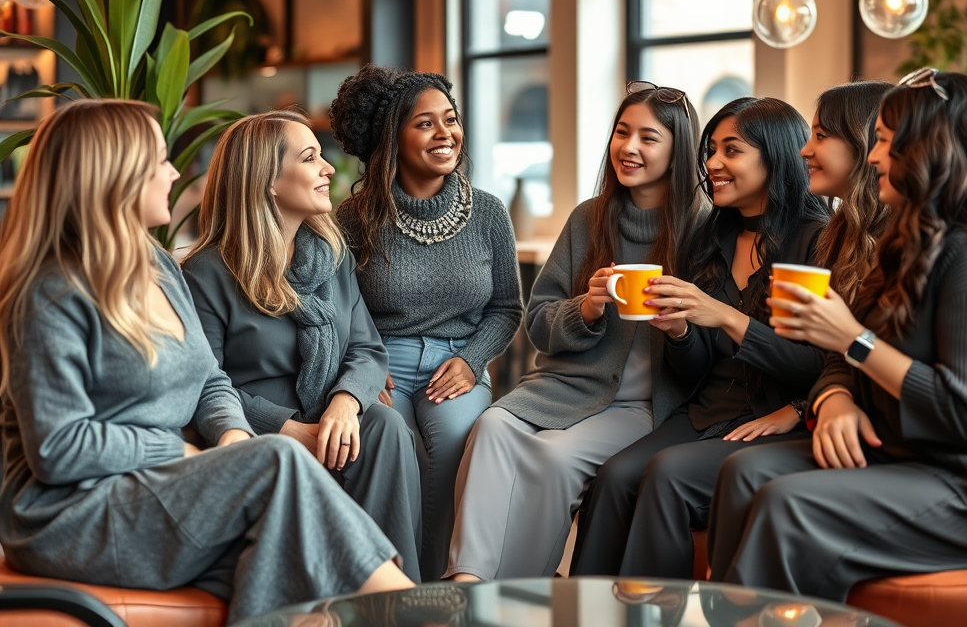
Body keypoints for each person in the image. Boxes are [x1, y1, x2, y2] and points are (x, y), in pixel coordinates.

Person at [0, 100, 413, 625]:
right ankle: (408, 610)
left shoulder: (156, 265)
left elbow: (208, 378)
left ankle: (396, 609)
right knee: (279, 462)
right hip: (69, 513)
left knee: (298, 558)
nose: (175, 173)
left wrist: (231, 438)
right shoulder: (52, 292)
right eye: (159, 161)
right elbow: (60, 449)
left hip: (152, 488)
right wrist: (184, 452)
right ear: (114, 176)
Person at [707, 69, 967, 599]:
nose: (873, 158)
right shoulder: (907, 241)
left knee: (787, 507)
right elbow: (846, 352)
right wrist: (836, 396)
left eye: (882, 141)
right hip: (902, 450)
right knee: (741, 473)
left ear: (931, 148)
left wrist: (853, 340)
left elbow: (966, 414)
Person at [445, 81, 706, 581]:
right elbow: (538, 323)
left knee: (553, 459)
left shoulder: (701, 229)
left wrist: (679, 329)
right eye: (621, 132)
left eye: (648, 138)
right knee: (492, 427)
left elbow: (706, 353)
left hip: (643, 406)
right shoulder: (588, 218)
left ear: (678, 150)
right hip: (565, 387)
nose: (629, 148)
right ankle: (468, 582)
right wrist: (585, 309)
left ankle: (521, 593)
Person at [571, 97, 830, 578]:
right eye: (711, 149)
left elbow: (812, 362)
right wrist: (681, 332)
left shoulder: (812, 240)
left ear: (775, 157)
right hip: (707, 410)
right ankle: (591, 611)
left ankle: (655, 612)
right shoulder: (712, 238)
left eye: (731, 151)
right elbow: (694, 369)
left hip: (772, 414)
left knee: (665, 474)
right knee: (613, 478)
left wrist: (725, 317)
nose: (711, 163)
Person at [181, 110, 422, 582]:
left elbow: (366, 349)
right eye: (311, 158)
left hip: (331, 417)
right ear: (268, 181)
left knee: (386, 427)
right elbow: (201, 386)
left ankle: (398, 596)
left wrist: (346, 404)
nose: (329, 168)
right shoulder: (206, 274)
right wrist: (290, 431)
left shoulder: (332, 256)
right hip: (258, 433)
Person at [330, 65, 523, 581]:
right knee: (399, 451)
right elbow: (340, 311)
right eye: (425, 124)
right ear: (393, 138)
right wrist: (364, 371)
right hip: (381, 362)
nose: (446, 134)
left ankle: (441, 590)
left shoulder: (488, 213)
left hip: (455, 364)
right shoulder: (353, 219)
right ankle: (395, 587)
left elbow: (507, 309)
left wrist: (472, 359)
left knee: (459, 445)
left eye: (451, 119)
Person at [802, 80, 893, 300]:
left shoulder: (902, 238)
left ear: (864, 141)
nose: (804, 151)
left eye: (820, 136)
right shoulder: (838, 231)